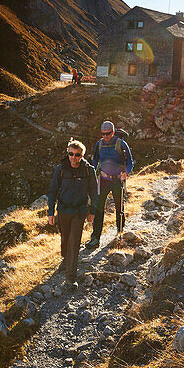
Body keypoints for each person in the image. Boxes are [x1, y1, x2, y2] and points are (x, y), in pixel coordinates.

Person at [47, 139, 99, 283]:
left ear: (82, 156)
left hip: (79, 211)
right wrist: (50, 212)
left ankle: (71, 278)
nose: (73, 157)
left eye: (77, 155)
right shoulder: (61, 169)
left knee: (74, 241)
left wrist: (92, 211)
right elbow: (52, 191)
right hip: (63, 210)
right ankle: (65, 258)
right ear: (67, 153)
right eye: (71, 154)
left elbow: (94, 192)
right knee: (65, 239)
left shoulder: (89, 170)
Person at [88, 120, 134, 249]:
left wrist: (127, 172)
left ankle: (120, 234)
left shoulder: (121, 144)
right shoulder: (99, 144)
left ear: (113, 132)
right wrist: (93, 172)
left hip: (117, 180)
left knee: (119, 208)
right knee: (98, 208)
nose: (105, 136)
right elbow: (95, 159)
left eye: (108, 134)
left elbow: (130, 161)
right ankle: (95, 238)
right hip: (103, 180)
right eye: (103, 134)